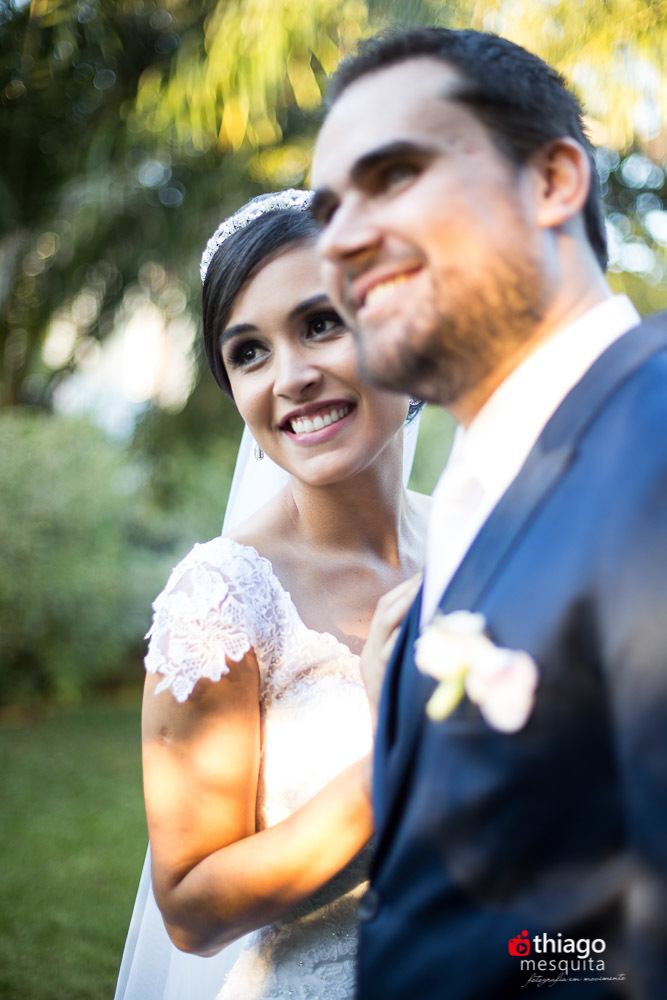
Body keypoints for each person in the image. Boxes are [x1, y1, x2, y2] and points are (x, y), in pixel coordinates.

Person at [310, 26, 667, 1000]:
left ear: (553, 180)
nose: (336, 239)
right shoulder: (476, 494)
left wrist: (516, 970)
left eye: (393, 174)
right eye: (328, 206)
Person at [114, 189, 428, 1000]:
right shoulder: (222, 598)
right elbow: (190, 910)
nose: (290, 377)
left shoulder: (484, 544)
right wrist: (398, 759)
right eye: (248, 352)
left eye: (322, 323)